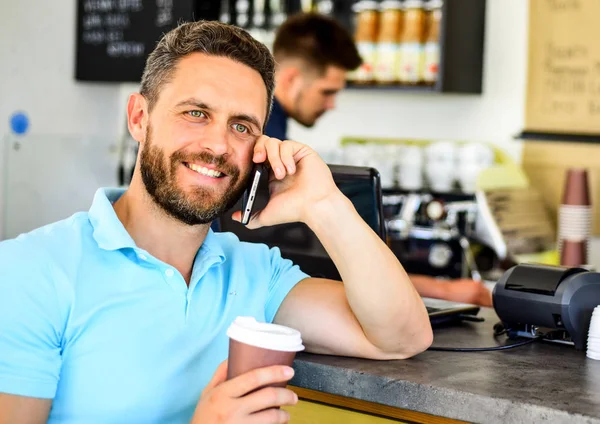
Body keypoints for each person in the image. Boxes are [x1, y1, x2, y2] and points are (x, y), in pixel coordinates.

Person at [0, 20, 433, 424]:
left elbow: (399, 338)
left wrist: (325, 204)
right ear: (139, 118)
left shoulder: (255, 273)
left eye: (242, 127)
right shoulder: (28, 272)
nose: (217, 145)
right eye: (196, 113)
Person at [266, 12, 492, 307]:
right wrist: (439, 290)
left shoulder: (273, 126)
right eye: (327, 91)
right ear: (292, 78)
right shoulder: (266, 134)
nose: (332, 104)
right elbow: (306, 261)